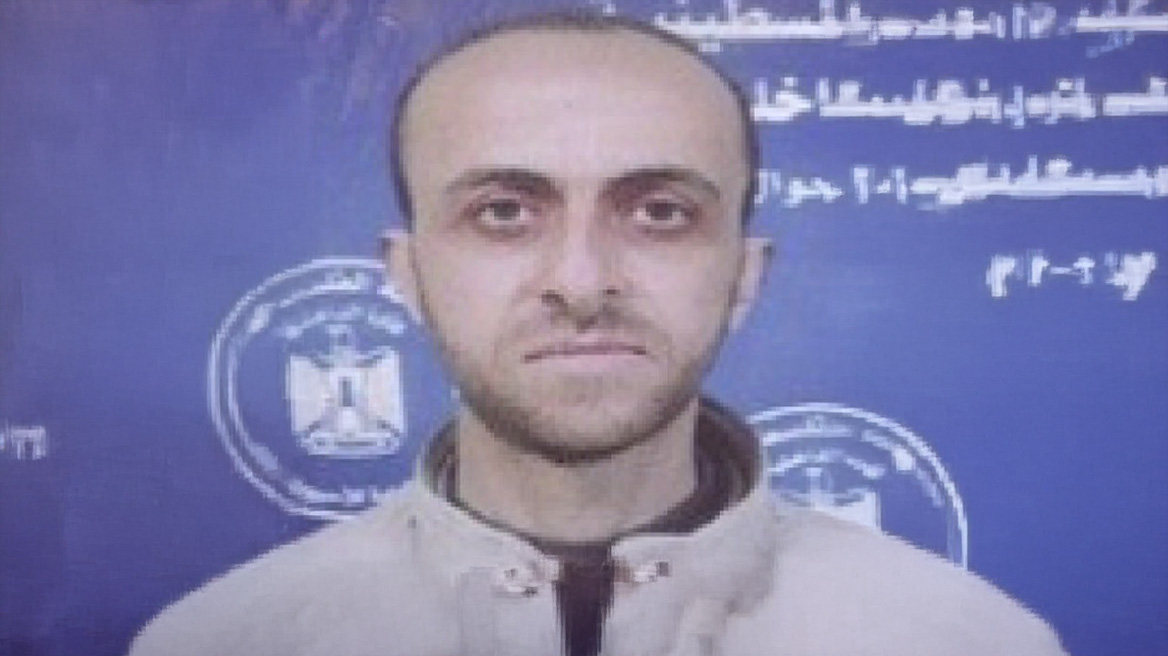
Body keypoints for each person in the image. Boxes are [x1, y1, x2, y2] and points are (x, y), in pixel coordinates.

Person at [129, 10, 1068, 656]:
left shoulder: (965, 641)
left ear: (744, 275)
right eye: (503, 213)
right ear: (406, 275)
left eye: (660, 212)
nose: (580, 282)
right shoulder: (225, 642)